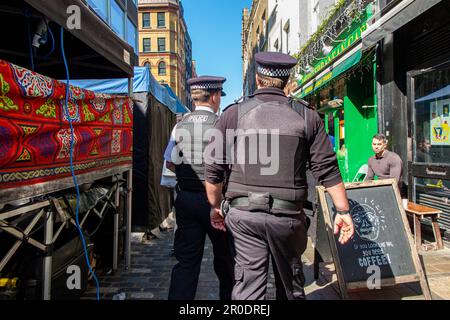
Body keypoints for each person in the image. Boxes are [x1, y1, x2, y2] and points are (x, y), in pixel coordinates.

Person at [204, 52, 355, 300]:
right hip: (288, 218)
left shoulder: (232, 114)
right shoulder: (308, 116)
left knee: (248, 288)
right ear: (288, 80)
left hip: (244, 216)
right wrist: (343, 211)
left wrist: (215, 206)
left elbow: (213, 169)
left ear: (257, 78)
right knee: (291, 288)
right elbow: (327, 168)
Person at [165, 76, 234, 300]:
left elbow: (169, 162)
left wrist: (188, 175)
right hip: (218, 202)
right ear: (214, 97)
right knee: (226, 261)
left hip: (186, 200)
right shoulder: (222, 125)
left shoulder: (180, 125)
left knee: (186, 262)